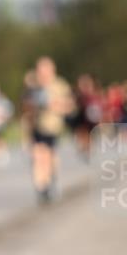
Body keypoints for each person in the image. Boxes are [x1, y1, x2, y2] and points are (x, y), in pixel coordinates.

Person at [23, 56, 74, 204]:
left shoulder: (60, 85)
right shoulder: (32, 85)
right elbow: (25, 106)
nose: (42, 72)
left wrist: (55, 105)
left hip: (53, 126)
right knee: (38, 155)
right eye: (40, 69)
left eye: (45, 69)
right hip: (35, 126)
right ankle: (41, 187)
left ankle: (52, 179)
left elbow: (69, 105)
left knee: (50, 156)